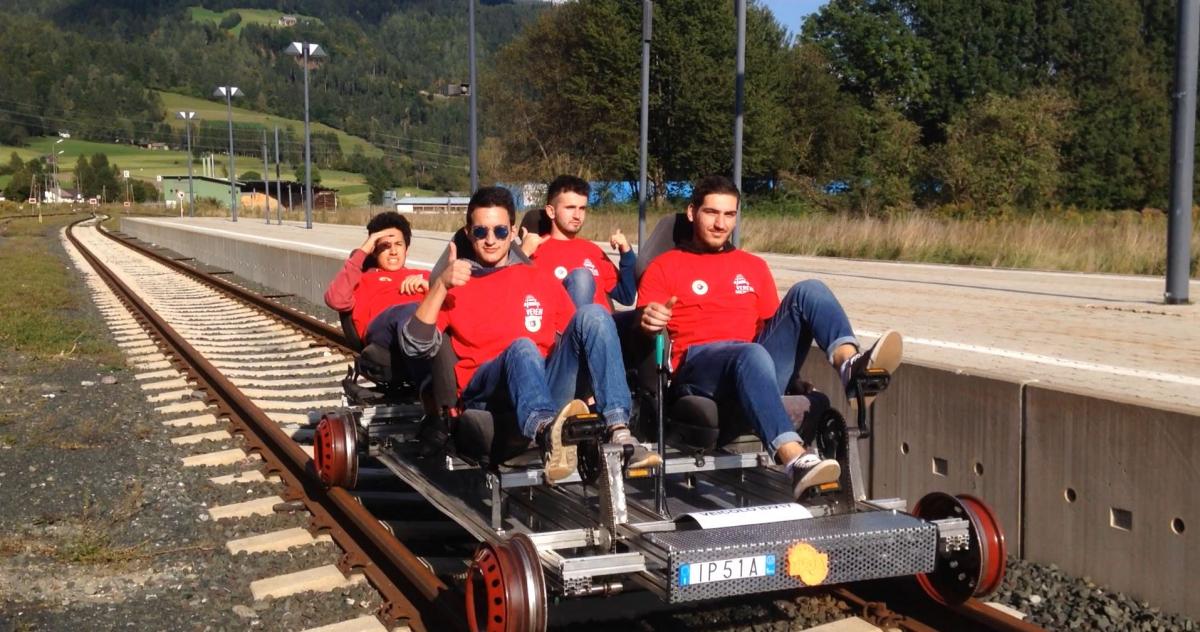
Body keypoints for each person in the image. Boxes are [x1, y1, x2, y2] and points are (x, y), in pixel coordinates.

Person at [637, 175, 903, 498]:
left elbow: (771, 331)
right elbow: (643, 325)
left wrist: (795, 379)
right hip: (700, 371)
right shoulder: (665, 266)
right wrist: (649, 319)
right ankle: (794, 460)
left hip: (753, 366)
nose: (721, 224)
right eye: (712, 213)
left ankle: (850, 368)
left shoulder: (753, 266)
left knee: (810, 291)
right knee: (748, 353)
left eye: (729, 215)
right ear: (692, 213)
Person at [401, 186, 660, 482]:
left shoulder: (538, 277)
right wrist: (440, 286)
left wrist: (589, 387)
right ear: (468, 232)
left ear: (513, 232)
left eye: (499, 231)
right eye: (480, 231)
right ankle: (547, 434)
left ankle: (619, 431)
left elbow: (576, 336)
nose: (490, 240)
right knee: (522, 348)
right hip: (489, 390)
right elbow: (413, 346)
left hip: (543, 382)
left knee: (596, 315)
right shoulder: (454, 283)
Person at [324, 211, 430, 380]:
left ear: (406, 249)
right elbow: (335, 299)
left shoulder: (423, 276)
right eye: (385, 246)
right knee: (410, 311)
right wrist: (365, 248)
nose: (393, 251)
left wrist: (430, 287)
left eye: (398, 244)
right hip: (384, 331)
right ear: (374, 250)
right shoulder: (362, 279)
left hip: (426, 330)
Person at [520, 175, 636, 309]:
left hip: (605, 325)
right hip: (567, 327)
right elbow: (510, 293)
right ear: (551, 211)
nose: (577, 215)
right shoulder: (536, 250)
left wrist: (626, 251)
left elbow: (627, 296)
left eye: (582, 208)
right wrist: (523, 254)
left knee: (649, 314)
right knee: (582, 277)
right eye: (570, 208)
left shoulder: (593, 250)